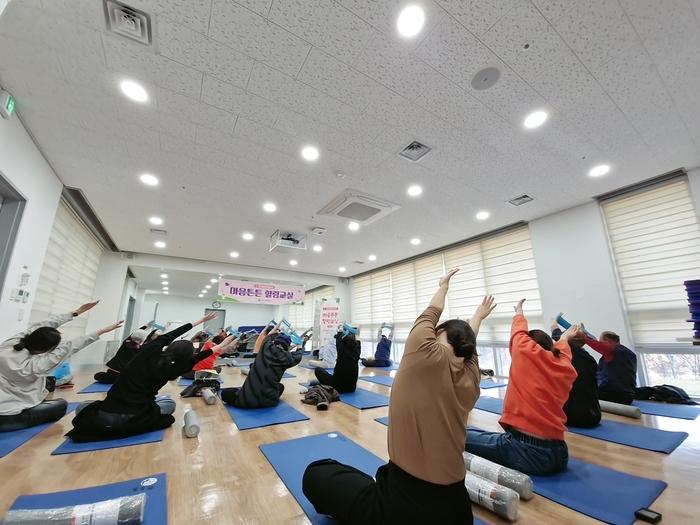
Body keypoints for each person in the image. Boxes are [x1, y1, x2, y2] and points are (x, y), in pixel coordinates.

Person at [302, 269, 496, 525]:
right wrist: (478, 317)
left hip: (404, 506)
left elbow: (431, 312)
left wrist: (443, 287)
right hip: (457, 507)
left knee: (316, 473)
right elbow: (469, 343)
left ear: (437, 336)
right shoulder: (472, 379)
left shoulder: (424, 352)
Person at [67, 313, 230, 442]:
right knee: (169, 404)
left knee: (84, 407)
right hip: (135, 417)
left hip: (104, 413)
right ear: (187, 358)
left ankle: (105, 422)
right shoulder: (175, 369)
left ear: (170, 346)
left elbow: (170, 336)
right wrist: (224, 343)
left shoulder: (147, 350)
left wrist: (200, 320)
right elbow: (206, 353)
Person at [465, 299, 581, 476]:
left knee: (457, 436)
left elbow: (519, 332)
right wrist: (564, 337)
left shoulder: (525, 353)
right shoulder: (564, 365)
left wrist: (519, 311)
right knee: (467, 432)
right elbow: (562, 349)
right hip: (559, 453)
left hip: (526, 451)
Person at [0, 301, 123, 432]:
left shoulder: (9, 345)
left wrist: (77, 311)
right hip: (8, 416)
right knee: (61, 405)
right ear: (47, 350)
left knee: (47, 387)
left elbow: (43, 325)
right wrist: (102, 330)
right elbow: (70, 347)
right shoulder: (37, 366)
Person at [221, 328, 303, 408]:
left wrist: (278, 331)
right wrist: (299, 346)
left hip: (246, 401)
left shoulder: (266, 346)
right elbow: (298, 356)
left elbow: (269, 335)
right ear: (287, 347)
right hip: (270, 401)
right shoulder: (288, 358)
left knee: (226, 393)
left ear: (275, 341)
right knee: (280, 387)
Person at [552, 319, 601, 428]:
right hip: (593, 416)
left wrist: (554, 322)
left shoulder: (561, 355)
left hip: (569, 417)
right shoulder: (590, 359)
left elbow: (557, 336)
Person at [584, 329, 637, 405]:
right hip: (628, 396)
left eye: (601, 341)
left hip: (613, 395)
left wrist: (581, 336)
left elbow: (594, 343)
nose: (600, 343)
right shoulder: (630, 354)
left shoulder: (613, 351)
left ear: (608, 341)